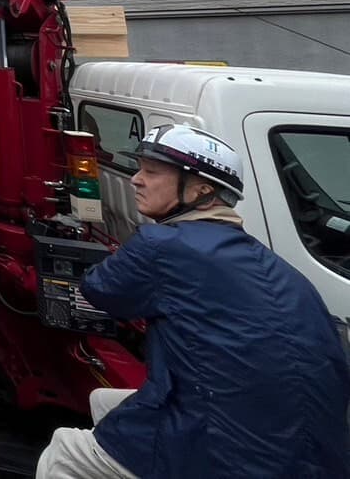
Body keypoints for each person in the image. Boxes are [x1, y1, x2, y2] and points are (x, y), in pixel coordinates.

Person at [36, 124, 350, 479]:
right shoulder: (270, 263)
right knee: (102, 401)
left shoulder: (161, 245)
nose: (136, 179)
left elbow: (100, 289)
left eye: (152, 172)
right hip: (310, 453)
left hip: (223, 454)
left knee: (63, 451)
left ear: (202, 191)